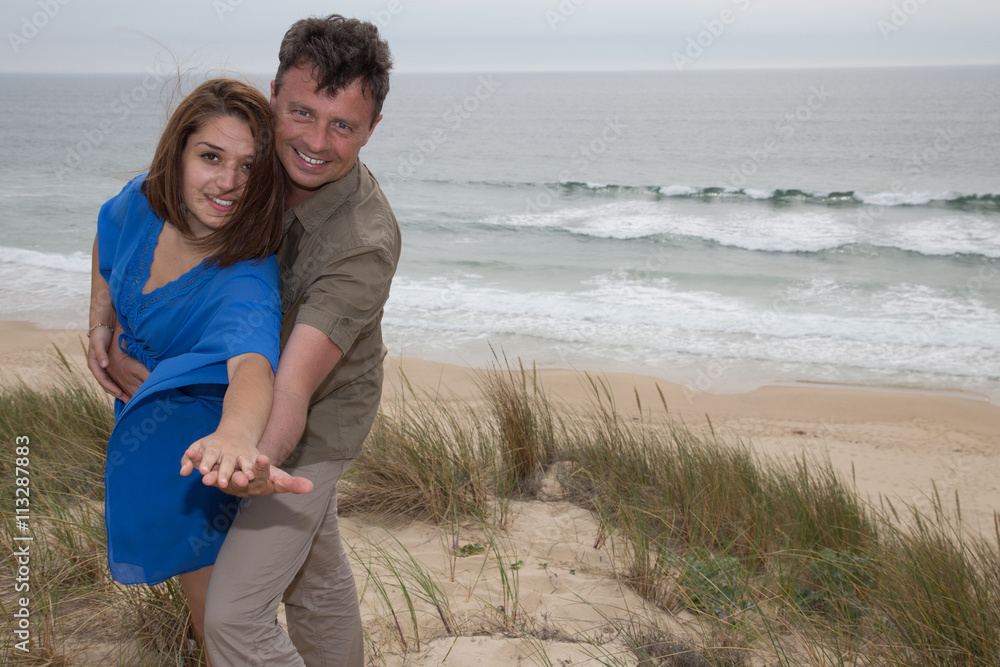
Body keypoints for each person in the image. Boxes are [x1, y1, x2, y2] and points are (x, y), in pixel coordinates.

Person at [96, 15, 400, 666]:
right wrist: (101, 321)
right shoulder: (241, 165)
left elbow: (285, 384)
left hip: (311, 425)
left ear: (371, 129)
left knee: (234, 617)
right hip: (231, 409)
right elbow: (121, 217)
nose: (316, 142)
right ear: (272, 97)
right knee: (314, 572)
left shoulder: (363, 243)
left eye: (343, 125)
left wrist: (245, 458)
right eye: (302, 113)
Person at [87, 78, 305, 649]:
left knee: (218, 611)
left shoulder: (245, 274)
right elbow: (106, 237)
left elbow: (253, 366)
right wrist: (100, 323)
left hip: (202, 443)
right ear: (176, 153)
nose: (229, 183)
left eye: (249, 167)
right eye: (211, 157)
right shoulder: (141, 200)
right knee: (193, 586)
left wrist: (233, 436)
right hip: (143, 415)